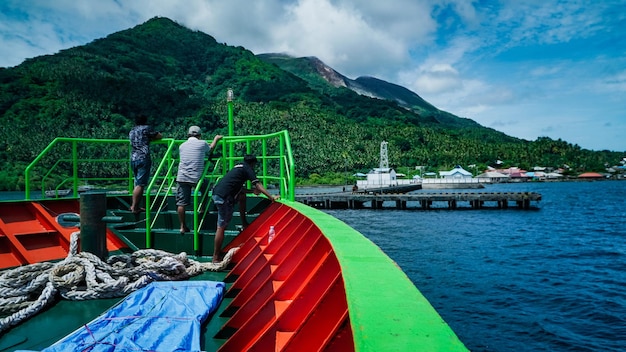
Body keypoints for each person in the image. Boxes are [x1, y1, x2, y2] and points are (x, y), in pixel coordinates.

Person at [211, 154, 279, 263]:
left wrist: (252, 191)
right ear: (253, 163)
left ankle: (244, 222)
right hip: (224, 198)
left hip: (217, 193)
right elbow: (258, 185)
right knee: (221, 227)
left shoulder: (238, 166)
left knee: (242, 196)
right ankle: (215, 257)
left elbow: (239, 189)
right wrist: (271, 197)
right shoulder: (248, 169)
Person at [176, 126, 222, 234]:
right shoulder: (202, 143)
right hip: (196, 177)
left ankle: (182, 226)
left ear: (188, 135)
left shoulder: (181, 146)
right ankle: (202, 208)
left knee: (181, 203)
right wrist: (216, 139)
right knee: (205, 187)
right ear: (199, 135)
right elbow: (210, 150)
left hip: (181, 177)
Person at [129, 114, 162, 214]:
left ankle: (135, 205)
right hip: (143, 158)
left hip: (133, 158)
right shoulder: (146, 128)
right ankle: (134, 207)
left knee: (136, 182)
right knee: (140, 184)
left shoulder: (132, 131)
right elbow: (159, 136)